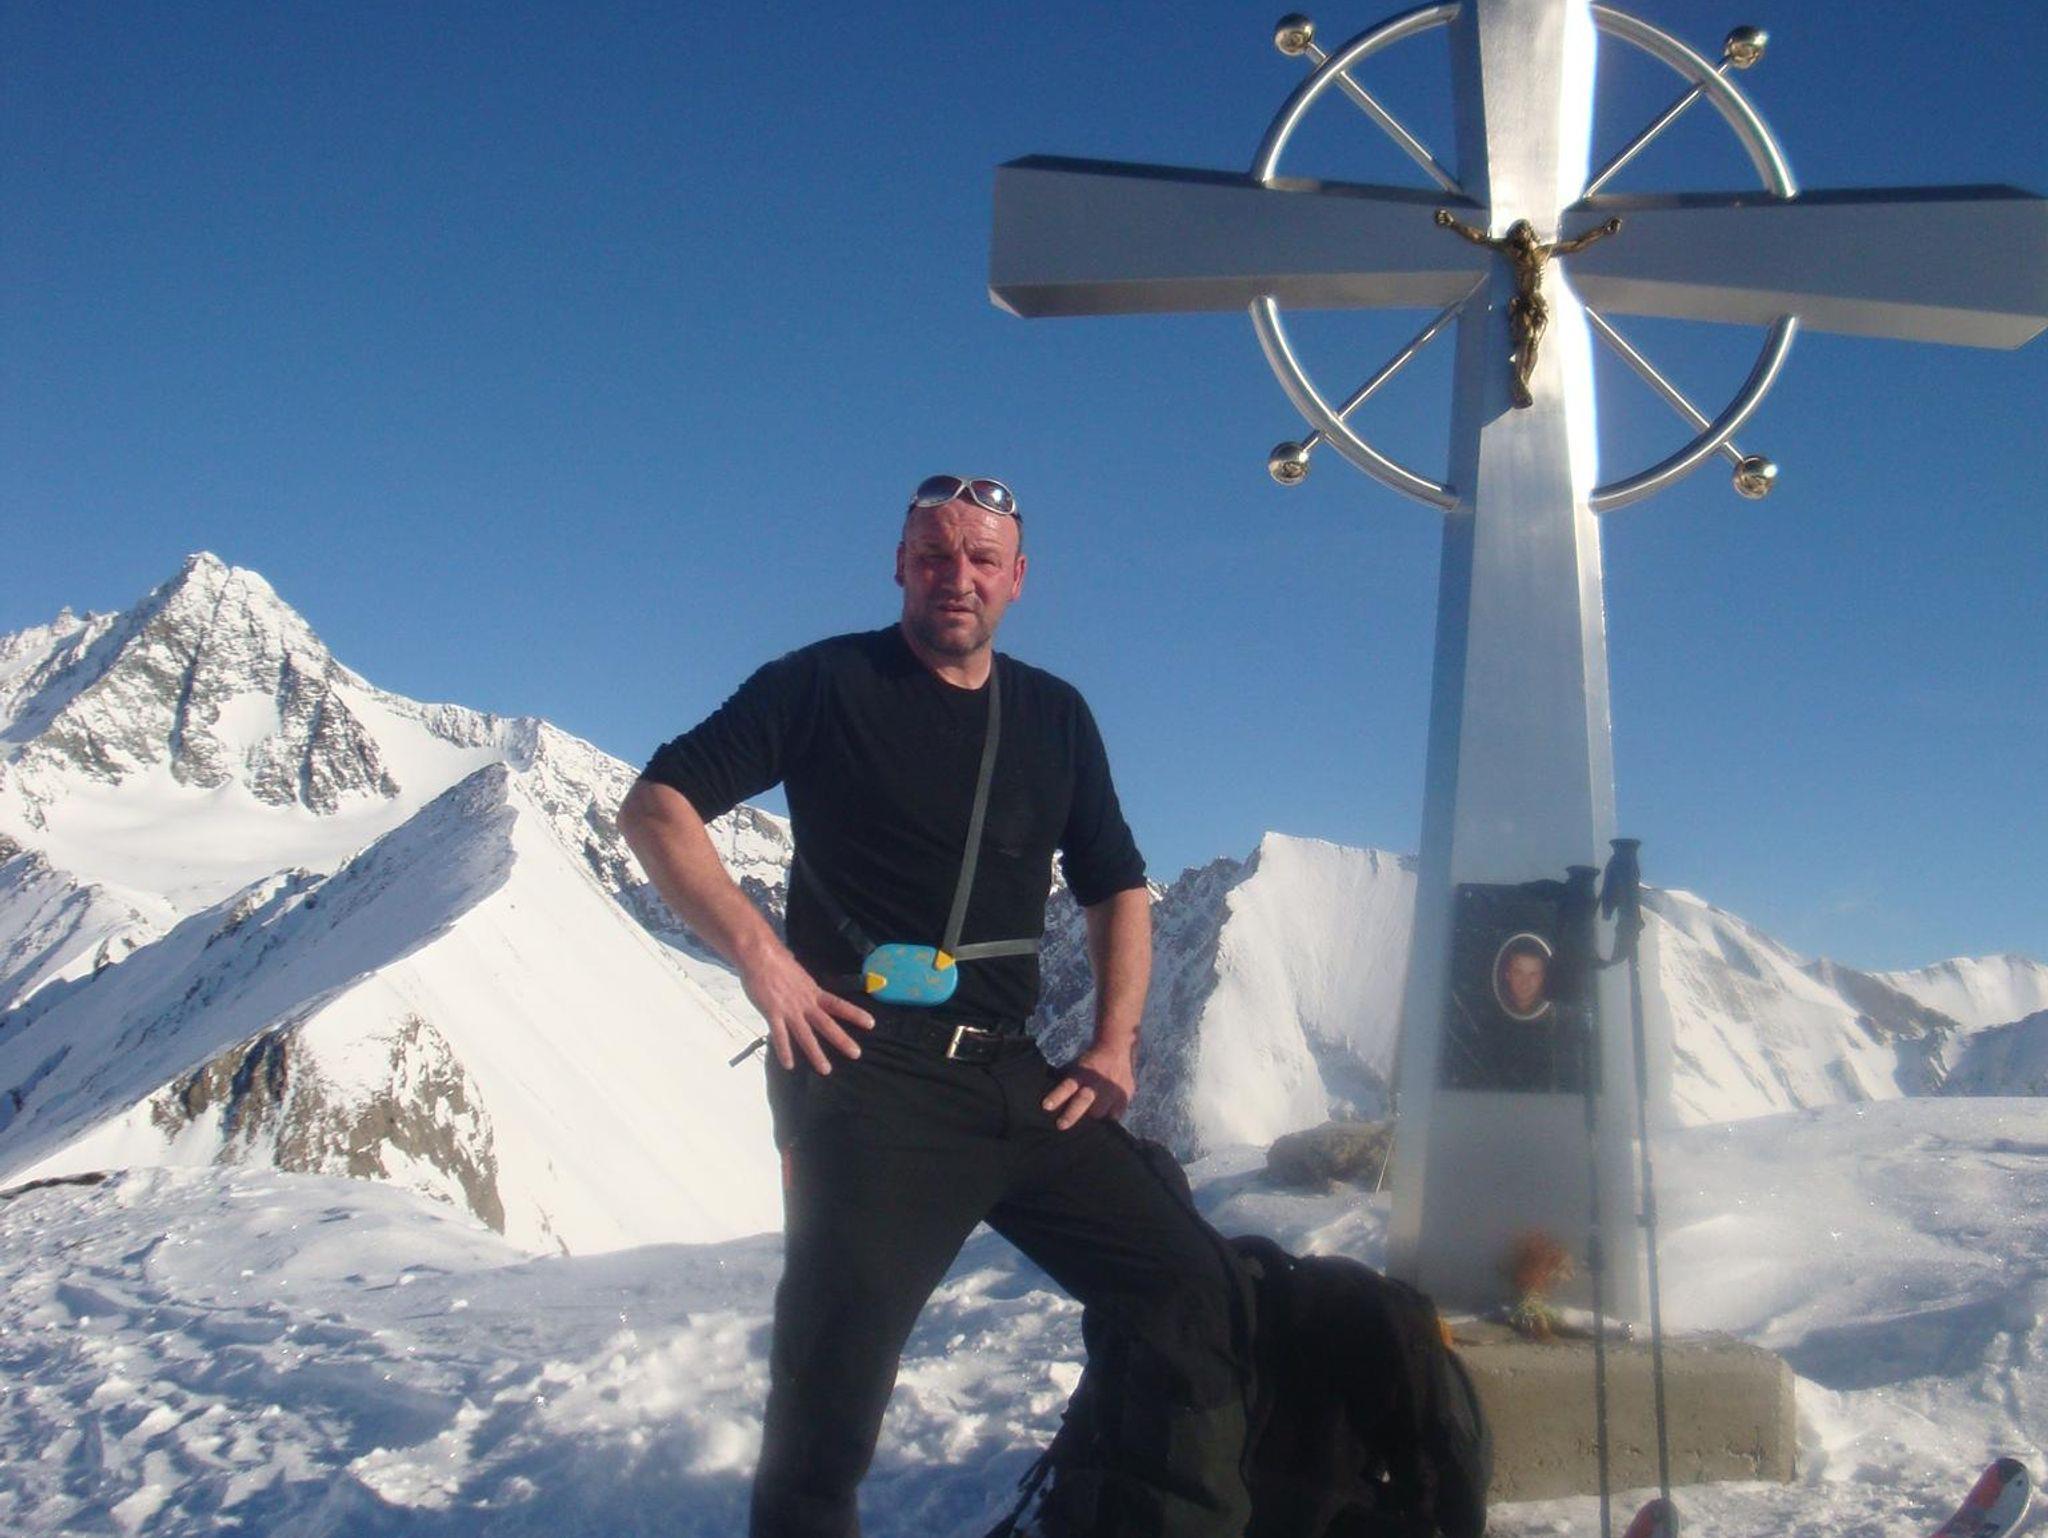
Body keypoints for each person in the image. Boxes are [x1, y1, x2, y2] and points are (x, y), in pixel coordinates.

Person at [617, 474, 1252, 1538]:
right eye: (933, 554)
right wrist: (764, 961)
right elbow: (656, 805)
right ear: (900, 566)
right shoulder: (823, 683)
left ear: (1017, 577)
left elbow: (1115, 884)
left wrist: (1113, 1043)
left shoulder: (1054, 714)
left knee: (1192, 1291)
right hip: (866, 1074)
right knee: (830, 1390)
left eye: (980, 558)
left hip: (1013, 1075)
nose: (956, 576)